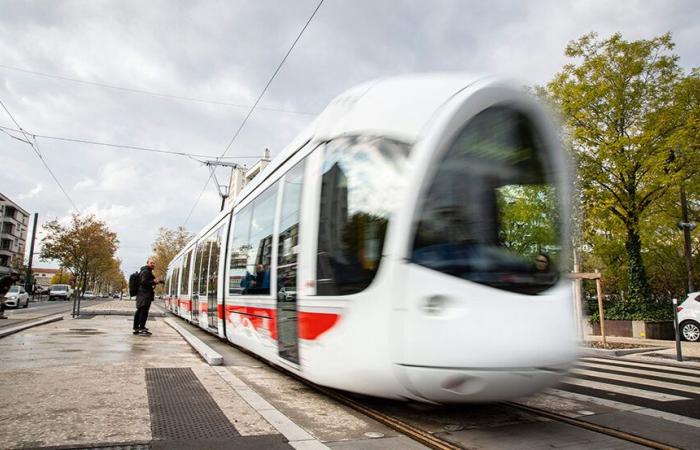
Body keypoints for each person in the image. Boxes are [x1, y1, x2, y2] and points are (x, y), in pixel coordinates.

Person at [133, 258, 162, 336]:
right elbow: (143, 282)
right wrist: (153, 282)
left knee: (140, 312)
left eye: (153, 263)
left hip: (143, 295)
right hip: (144, 295)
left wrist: (159, 281)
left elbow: (152, 280)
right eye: (151, 263)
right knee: (143, 312)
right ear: (147, 263)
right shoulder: (146, 272)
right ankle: (141, 328)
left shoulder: (147, 271)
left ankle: (137, 328)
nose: (153, 264)